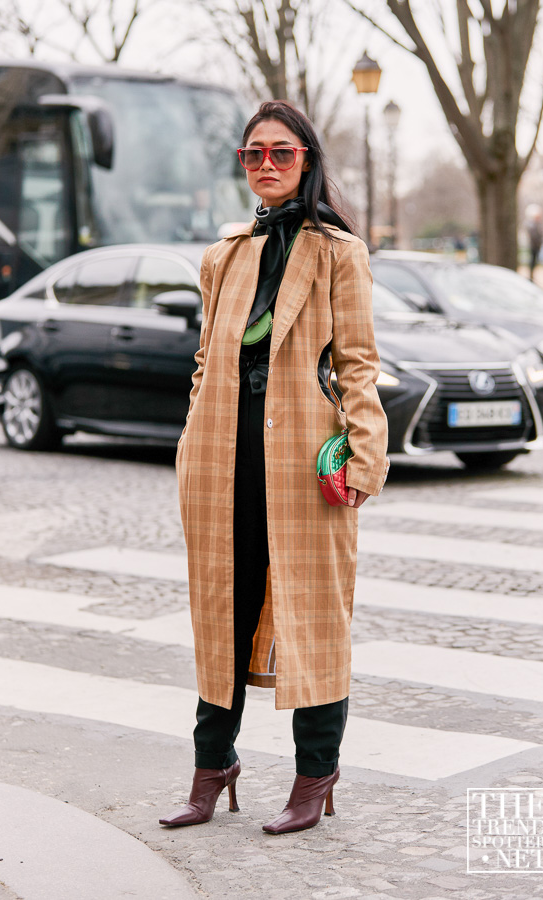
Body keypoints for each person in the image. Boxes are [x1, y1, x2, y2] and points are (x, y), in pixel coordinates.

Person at [159, 100, 389, 836]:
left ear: (307, 160)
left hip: (300, 464)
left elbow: (357, 364)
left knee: (314, 617)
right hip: (222, 461)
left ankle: (315, 775)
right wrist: (193, 436)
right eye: (253, 153)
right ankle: (210, 768)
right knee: (220, 612)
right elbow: (205, 359)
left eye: (281, 152)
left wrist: (363, 454)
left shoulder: (337, 251)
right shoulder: (224, 254)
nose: (265, 164)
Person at [526, 204, 543, 282]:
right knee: (532, 261)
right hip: (534, 245)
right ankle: (531, 275)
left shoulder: (536, 224)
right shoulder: (532, 225)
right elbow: (534, 236)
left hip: (536, 245)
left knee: (534, 260)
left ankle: (532, 275)